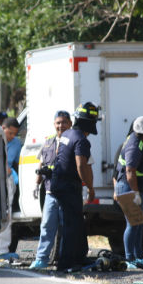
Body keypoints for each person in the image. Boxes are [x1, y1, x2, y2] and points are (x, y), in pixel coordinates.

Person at [50, 102, 99, 272]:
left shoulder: (67, 134)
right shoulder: (81, 140)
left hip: (59, 183)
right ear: (90, 124)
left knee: (75, 221)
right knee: (71, 223)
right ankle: (66, 263)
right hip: (68, 186)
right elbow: (81, 166)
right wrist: (91, 188)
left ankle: (78, 257)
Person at [113, 115, 143, 269]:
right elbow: (130, 171)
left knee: (139, 223)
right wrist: (135, 193)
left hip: (135, 187)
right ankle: (129, 258)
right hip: (128, 187)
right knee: (133, 224)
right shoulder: (134, 145)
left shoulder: (139, 142)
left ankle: (138, 256)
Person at [29, 111, 72, 269]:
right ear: (54, 124)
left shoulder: (74, 140)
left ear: (70, 124)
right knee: (47, 225)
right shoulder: (48, 142)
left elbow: (83, 165)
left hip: (68, 193)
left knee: (67, 227)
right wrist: (36, 184)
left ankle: (65, 260)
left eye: (64, 122)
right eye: (58, 123)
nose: (61, 126)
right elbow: (41, 165)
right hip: (50, 192)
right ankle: (41, 259)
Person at [0, 117, 23, 260]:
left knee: (6, 215)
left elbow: (18, 163)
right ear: (2, 128)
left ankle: (1, 250)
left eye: (14, 134)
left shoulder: (16, 143)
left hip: (8, 181)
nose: (12, 137)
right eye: (9, 133)